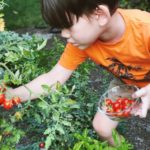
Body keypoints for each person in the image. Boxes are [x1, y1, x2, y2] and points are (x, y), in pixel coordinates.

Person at [7, 0, 150, 146]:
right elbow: (53, 78)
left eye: (68, 26)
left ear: (99, 15)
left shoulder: (145, 28)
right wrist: (10, 95)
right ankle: (124, 147)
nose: (63, 34)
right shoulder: (82, 44)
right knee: (102, 128)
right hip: (126, 84)